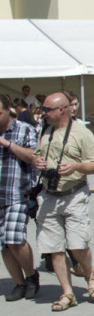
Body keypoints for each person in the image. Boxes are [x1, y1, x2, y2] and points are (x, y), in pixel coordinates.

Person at [33, 92, 94, 311]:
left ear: (61, 110)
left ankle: (91, 274)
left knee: (78, 245)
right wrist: (37, 161)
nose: (43, 113)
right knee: (54, 248)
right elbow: (36, 154)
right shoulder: (45, 130)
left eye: (47, 110)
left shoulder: (82, 133)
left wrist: (75, 166)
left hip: (74, 194)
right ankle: (67, 292)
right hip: (49, 194)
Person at [0, 94, 40, 302]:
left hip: (17, 192)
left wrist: (7, 144)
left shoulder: (24, 129)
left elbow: (34, 157)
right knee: (3, 244)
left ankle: (31, 276)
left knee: (15, 238)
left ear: (9, 111)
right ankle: (18, 283)